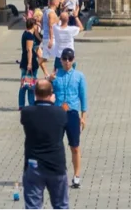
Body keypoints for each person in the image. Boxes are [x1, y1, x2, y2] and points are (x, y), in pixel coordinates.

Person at [21, 79, 70, 210]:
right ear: (51, 94)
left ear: (35, 93)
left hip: (34, 165)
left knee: (33, 206)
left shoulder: (26, 113)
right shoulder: (61, 113)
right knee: (61, 205)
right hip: (56, 165)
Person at [49, 48, 88, 189]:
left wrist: (83, 116)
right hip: (58, 113)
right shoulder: (55, 75)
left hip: (72, 114)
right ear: (60, 60)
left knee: (75, 147)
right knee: (56, 146)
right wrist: (49, 80)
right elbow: (43, 92)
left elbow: (83, 97)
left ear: (73, 60)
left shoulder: (79, 76)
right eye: (64, 59)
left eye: (69, 59)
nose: (67, 61)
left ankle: (76, 176)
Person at [20, 16, 47, 108]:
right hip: (29, 61)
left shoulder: (25, 33)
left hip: (24, 60)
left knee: (24, 83)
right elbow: (29, 50)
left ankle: (22, 104)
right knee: (30, 84)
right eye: (36, 24)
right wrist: (30, 63)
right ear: (33, 25)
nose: (37, 26)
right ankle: (30, 104)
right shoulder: (29, 36)